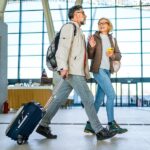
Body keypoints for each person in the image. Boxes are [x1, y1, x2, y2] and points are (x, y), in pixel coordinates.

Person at [36, 5, 116, 141]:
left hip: (74, 70)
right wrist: (62, 67)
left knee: (59, 99)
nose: (85, 15)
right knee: (89, 99)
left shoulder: (79, 31)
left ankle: (43, 125)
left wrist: (90, 47)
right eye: (82, 13)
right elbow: (63, 48)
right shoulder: (69, 27)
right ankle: (99, 130)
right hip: (72, 71)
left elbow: (79, 54)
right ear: (75, 15)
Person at [84, 17, 128, 134]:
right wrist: (91, 46)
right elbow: (89, 55)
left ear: (109, 25)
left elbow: (119, 56)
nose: (101, 25)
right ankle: (111, 123)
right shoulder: (95, 37)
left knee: (98, 100)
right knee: (111, 95)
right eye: (100, 23)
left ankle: (89, 125)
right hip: (98, 70)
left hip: (108, 71)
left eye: (104, 23)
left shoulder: (112, 39)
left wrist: (112, 55)